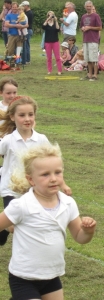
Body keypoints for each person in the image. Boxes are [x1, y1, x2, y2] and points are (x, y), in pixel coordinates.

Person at [0, 142, 96, 299]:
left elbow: (80, 237)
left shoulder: (68, 203)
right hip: (23, 277)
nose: (53, 179)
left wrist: (88, 231)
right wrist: (10, 226)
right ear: (31, 179)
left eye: (57, 172)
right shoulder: (21, 205)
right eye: (45, 174)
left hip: (51, 276)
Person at [0, 96, 72, 246]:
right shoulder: (8, 140)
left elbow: (52, 166)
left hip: (33, 189)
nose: (27, 119)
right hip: (11, 189)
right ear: (12, 117)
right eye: (22, 115)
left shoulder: (41, 139)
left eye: (30, 114)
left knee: (30, 221)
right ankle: (5, 229)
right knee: (13, 225)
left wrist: (63, 185)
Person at [80, 0, 102, 82]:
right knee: (88, 58)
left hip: (93, 39)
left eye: (90, 6)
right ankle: (89, 74)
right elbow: (81, 26)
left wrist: (90, 27)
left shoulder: (96, 16)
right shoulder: (83, 16)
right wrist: (83, 28)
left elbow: (100, 27)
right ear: (85, 7)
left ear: (92, 7)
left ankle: (95, 75)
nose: (88, 8)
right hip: (86, 39)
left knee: (94, 58)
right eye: (87, 6)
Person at [42, 11, 62, 75]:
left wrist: (56, 21)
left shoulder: (55, 23)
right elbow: (43, 26)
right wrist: (48, 19)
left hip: (55, 41)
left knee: (57, 57)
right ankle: (49, 70)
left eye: (52, 15)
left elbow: (58, 29)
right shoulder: (47, 23)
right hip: (48, 42)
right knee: (49, 58)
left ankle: (59, 70)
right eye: (49, 15)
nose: (50, 17)